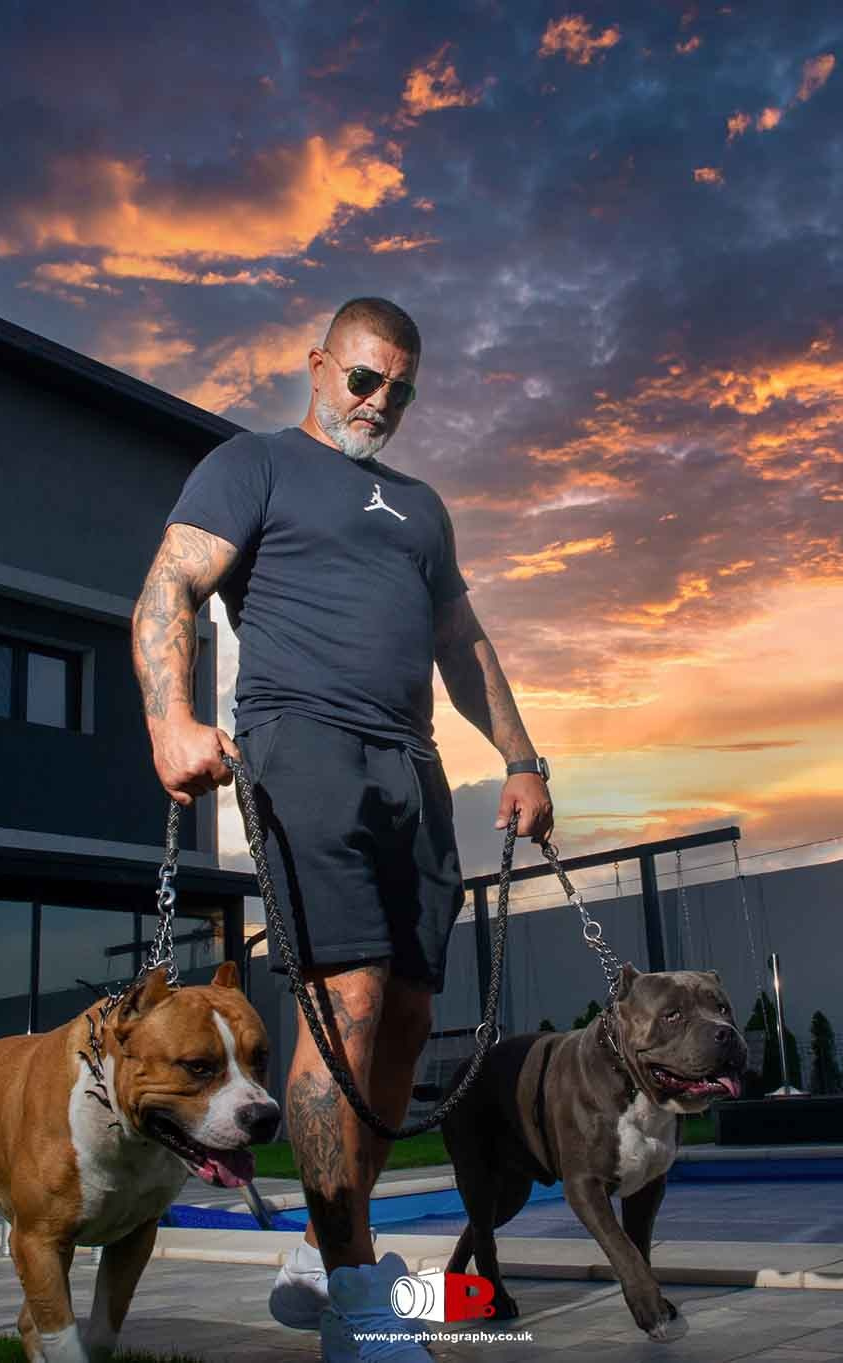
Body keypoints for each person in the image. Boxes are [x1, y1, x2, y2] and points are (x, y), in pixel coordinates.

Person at [132, 297, 554, 1358]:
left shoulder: (421, 506)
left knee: (408, 1016)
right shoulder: (255, 463)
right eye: (363, 380)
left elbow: (463, 641)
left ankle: (329, 1254)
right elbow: (171, 584)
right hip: (300, 745)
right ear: (318, 366)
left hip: (411, 766)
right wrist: (170, 719)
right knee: (344, 1001)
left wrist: (521, 758)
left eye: (400, 390)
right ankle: (362, 1296)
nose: (380, 403)